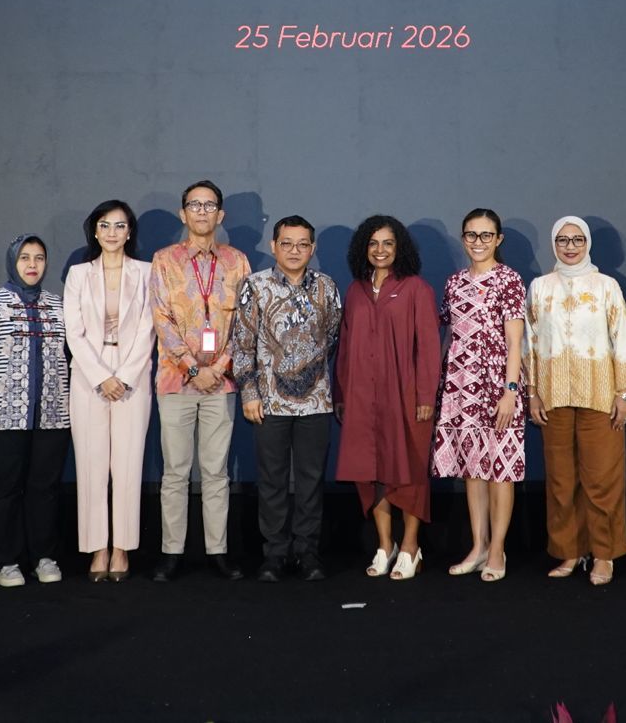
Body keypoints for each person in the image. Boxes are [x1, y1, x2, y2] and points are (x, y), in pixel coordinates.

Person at [524, 216, 626, 586]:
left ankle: (604, 554)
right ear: (553, 244)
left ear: (587, 243)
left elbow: (623, 338)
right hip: (553, 398)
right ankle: (569, 551)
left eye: (577, 239)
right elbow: (530, 343)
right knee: (561, 482)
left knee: (602, 479)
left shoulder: (606, 286)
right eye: (562, 240)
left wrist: (625, 393)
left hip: (600, 396)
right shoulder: (540, 287)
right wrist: (532, 392)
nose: (570, 246)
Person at [149, 180, 252, 581]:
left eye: (210, 206)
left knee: (216, 471)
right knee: (175, 471)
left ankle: (217, 551)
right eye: (195, 205)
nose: (203, 212)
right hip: (176, 382)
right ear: (183, 213)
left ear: (220, 215)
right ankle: (171, 552)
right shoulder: (164, 260)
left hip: (221, 384)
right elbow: (162, 319)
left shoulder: (237, 261)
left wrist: (219, 367)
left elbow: (245, 323)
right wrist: (194, 368)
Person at [231, 215, 343, 582]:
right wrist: (250, 393)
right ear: (273, 246)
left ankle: (307, 553)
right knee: (272, 482)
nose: (295, 251)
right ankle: (275, 555)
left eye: (302, 244)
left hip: (316, 402)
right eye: (287, 243)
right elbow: (242, 345)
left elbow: (331, 339)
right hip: (268, 403)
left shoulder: (327, 287)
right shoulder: (255, 286)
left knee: (311, 481)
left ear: (312, 248)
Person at [0, 234, 71, 588]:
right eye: (24, 258)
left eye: (39, 258)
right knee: (5, 489)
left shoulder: (59, 304)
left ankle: (43, 556)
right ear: (12, 261)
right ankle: (6, 562)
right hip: (1, 415)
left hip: (52, 413)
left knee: (45, 488)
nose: (32, 265)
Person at [334, 215, 441, 580]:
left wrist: (425, 395)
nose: (380, 250)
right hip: (362, 397)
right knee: (369, 471)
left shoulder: (416, 289)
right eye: (373, 243)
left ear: (400, 248)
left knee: (409, 471)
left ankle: (410, 546)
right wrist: (342, 393)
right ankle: (385, 544)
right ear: (363, 248)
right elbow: (345, 348)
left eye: (388, 243)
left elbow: (429, 348)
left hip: (406, 397)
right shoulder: (355, 291)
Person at [432, 208, 527, 582]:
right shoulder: (454, 282)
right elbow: (449, 334)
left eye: (486, 235)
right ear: (463, 238)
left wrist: (510, 390)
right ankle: (479, 546)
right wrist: (440, 384)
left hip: (498, 384)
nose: (478, 242)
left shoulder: (509, 280)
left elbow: (515, 342)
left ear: (498, 239)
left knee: (500, 470)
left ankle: (498, 549)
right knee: (472, 469)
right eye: (471, 235)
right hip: (460, 385)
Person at [64, 200, 153, 582]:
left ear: (129, 232)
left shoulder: (147, 272)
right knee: (91, 465)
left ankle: (122, 549)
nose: (112, 232)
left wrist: (125, 375)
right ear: (95, 231)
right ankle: (97, 548)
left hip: (133, 375)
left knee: (128, 466)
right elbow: (74, 331)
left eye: (119, 225)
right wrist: (101, 376)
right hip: (88, 376)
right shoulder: (78, 274)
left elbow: (150, 328)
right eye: (105, 225)